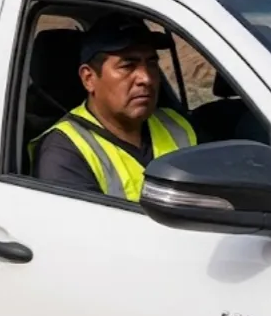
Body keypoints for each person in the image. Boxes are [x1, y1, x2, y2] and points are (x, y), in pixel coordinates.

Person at [29, 13, 203, 202]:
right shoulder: (64, 152)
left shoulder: (176, 123)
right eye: (128, 66)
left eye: (151, 63)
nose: (146, 78)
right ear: (89, 78)